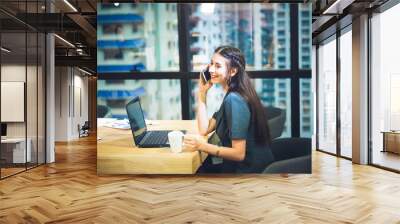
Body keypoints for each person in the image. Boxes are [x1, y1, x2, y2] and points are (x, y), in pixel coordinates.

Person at [183, 46, 275, 173]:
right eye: (211, 64)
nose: (211, 69)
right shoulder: (232, 94)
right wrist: (202, 93)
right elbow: (204, 129)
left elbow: (239, 154)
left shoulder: (234, 99)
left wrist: (202, 146)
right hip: (242, 167)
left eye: (218, 66)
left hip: (246, 172)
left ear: (232, 71)